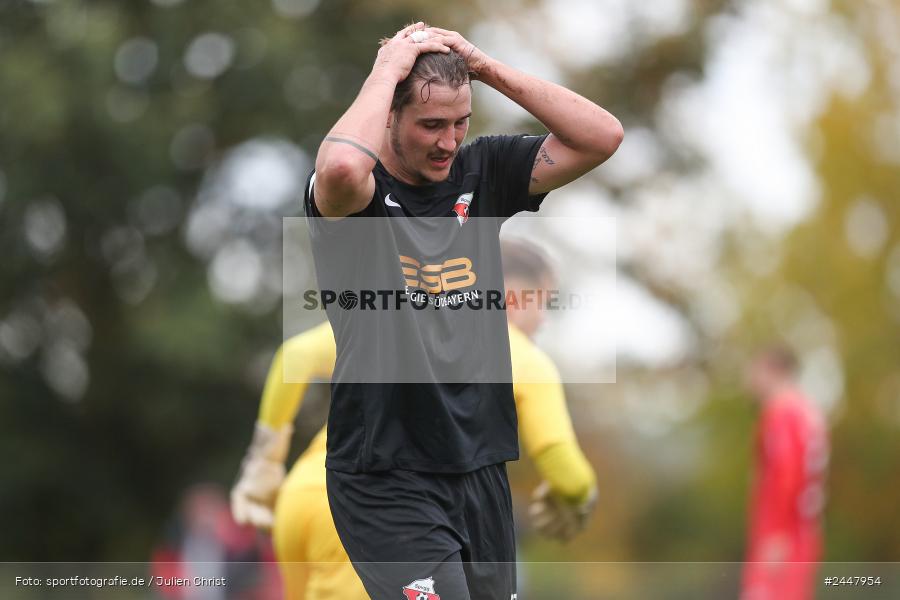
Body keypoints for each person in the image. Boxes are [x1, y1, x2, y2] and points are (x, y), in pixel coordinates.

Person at [302, 21, 621, 599]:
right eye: (430, 124)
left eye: (460, 123)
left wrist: (486, 66)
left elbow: (602, 137)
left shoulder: (483, 172)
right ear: (390, 117)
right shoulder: (354, 197)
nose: (449, 141)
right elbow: (343, 167)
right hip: (385, 474)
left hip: (480, 468)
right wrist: (387, 68)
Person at [231, 239, 598, 600]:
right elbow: (565, 468)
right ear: (514, 300)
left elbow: (294, 356)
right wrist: (577, 494)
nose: (545, 319)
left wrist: (265, 462)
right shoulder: (523, 357)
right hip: (382, 513)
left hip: (303, 498)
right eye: (544, 301)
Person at [741, 347, 829, 600]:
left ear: (773, 371)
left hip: (782, 537)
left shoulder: (782, 413)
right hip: (803, 532)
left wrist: (777, 533)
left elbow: (786, 470)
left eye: (754, 370)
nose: (749, 379)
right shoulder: (808, 411)